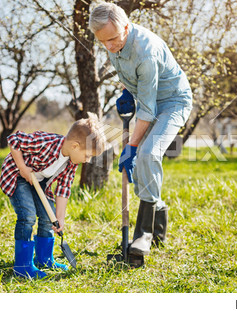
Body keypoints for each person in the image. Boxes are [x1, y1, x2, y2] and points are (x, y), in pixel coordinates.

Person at [89, 3, 192, 256]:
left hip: (172, 102)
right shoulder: (114, 41)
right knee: (142, 167)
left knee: (147, 154)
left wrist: (132, 145)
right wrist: (127, 90)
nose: (110, 47)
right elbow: (131, 77)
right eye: (103, 42)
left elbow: (147, 109)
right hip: (150, 99)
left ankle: (143, 234)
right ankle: (156, 233)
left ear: (126, 26)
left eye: (113, 39)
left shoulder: (146, 51)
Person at [0, 116, 106, 279]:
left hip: (39, 181)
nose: (88, 160)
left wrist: (60, 217)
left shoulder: (71, 163)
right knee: (27, 216)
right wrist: (22, 167)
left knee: (47, 217)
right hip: (18, 175)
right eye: (87, 156)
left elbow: (64, 189)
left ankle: (44, 259)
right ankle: (22, 266)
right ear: (75, 146)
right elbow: (14, 140)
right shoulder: (45, 142)